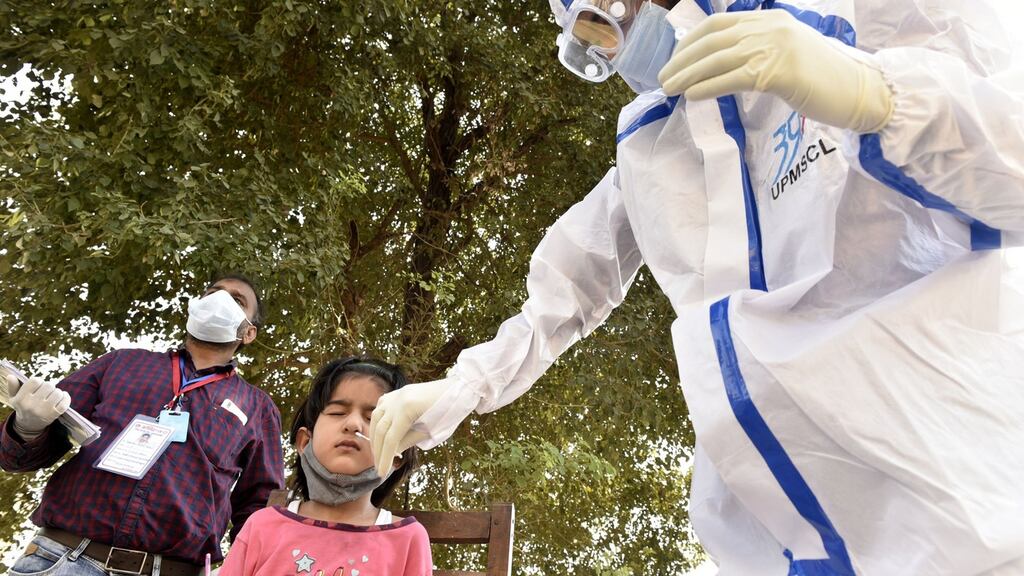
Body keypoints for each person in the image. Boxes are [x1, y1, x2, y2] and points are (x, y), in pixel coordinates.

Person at [369, 0, 1024, 574]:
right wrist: (461, 388)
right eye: (591, 28)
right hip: (787, 537)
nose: (617, 38)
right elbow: (564, 293)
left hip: (963, 508)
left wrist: (876, 96)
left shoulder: (864, 12)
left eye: (617, 10)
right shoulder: (653, 143)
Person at [1, 274, 284, 576]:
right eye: (212, 292)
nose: (220, 300)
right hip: (63, 559)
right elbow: (19, 457)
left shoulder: (258, 408)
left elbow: (261, 504)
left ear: (249, 332)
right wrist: (26, 427)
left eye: (236, 300)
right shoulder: (120, 363)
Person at [219, 357, 430, 576]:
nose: (353, 425)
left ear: (396, 457)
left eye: (373, 418)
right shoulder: (262, 526)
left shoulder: (408, 539)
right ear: (304, 442)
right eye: (337, 413)